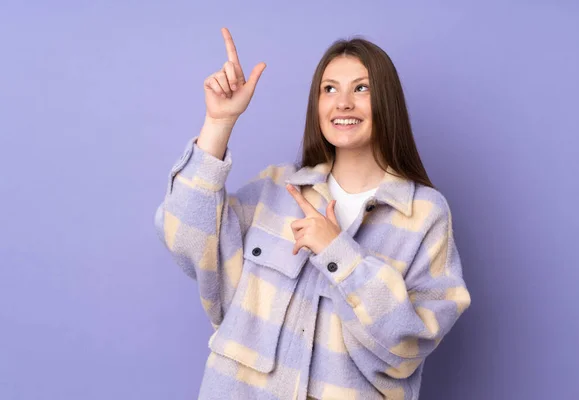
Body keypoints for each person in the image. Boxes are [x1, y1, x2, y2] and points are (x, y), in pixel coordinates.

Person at [154, 27, 471, 400]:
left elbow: (406, 346)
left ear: (387, 101)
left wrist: (339, 253)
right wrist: (218, 123)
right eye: (329, 89)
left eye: (362, 88)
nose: (343, 103)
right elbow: (185, 236)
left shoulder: (423, 215)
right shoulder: (276, 189)